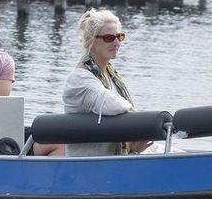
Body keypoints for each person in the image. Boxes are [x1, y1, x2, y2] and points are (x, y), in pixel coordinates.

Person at [59, 8, 149, 156]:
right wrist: (142, 121)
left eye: (119, 37)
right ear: (92, 40)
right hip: (88, 165)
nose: (116, 42)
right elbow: (111, 105)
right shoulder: (79, 79)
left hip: (112, 161)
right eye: (109, 38)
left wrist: (134, 145)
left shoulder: (111, 75)